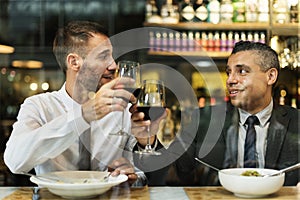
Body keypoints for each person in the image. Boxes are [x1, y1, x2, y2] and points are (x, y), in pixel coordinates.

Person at [131, 41, 299, 186]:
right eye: (229, 72)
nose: (230, 80)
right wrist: (148, 140)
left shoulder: (296, 122)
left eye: (242, 71)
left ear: (270, 76)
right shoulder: (203, 119)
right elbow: (170, 176)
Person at [4, 20, 146, 186]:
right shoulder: (39, 106)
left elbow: (141, 175)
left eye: (112, 56)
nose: (114, 65)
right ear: (73, 62)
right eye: (103, 56)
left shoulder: (122, 110)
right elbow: (15, 162)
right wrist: (83, 115)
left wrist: (131, 177)